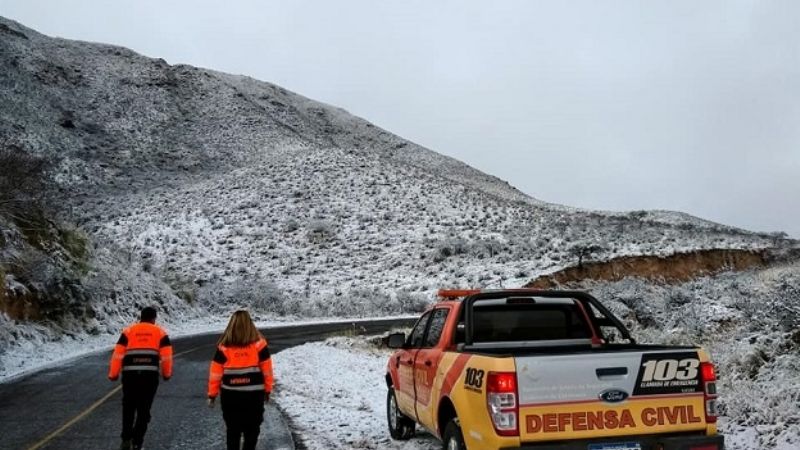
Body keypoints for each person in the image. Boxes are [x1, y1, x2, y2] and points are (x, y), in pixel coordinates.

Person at [108, 306, 173, 450]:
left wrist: (113, 374)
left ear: (141, 317)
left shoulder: (128, 331)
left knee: (129, 407)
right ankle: (137, 442)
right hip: (149, 378)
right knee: (144, 410)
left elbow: (118, 354)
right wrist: (166, 374)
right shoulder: (160, 333)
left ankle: (126, 438)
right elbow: (167, 356)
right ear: (154, 319)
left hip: (130, 377)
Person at [208, 310, 274, 450]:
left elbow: (215, 374)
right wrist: (268, 390)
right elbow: (267, 370)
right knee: (252, 430)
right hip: (254, 395)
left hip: (230, 395)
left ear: (231, 325)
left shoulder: (223, 347)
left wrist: (212, 395)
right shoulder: (259, 345)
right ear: (250, 324)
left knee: (233, 430)